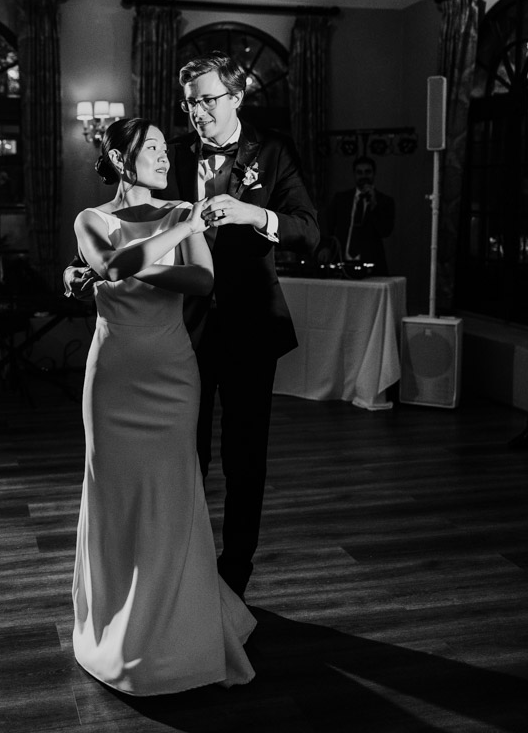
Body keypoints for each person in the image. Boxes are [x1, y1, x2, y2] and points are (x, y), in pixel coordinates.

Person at [70, 117, 256, 696]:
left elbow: (203, 282)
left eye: (164, 150)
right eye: (151, 148)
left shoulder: (181, 211)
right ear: (122, 158)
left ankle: (178, 628)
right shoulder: (92, 220)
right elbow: (113, 265)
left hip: (172, 375)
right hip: (114, 380)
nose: (164, 157)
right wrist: (169, 239)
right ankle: (118, 624)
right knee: (117, 494)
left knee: (173, 492)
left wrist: (132, 263)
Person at [165, 53, 320, 600]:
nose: (197, 112)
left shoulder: (272, 149)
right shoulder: (172, 156)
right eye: (190, 102)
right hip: (180, 328)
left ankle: (235, 575)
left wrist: (256, 215)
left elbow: (308, 230)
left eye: (207, 100)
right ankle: (186, 566)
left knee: (244, 457)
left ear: (236, 97)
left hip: (251, 326)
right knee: (185, 455)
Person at [325, 155, 395, 276]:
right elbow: (328, 227)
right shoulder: (341, 199)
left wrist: (374, 206)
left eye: (367, 172)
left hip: (371, 266)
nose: (364, 176)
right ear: (354, 175)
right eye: (359, 172)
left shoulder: (385, 201)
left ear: (374, 174)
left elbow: (385, 231)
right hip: (342, 264)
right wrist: (326, 248)